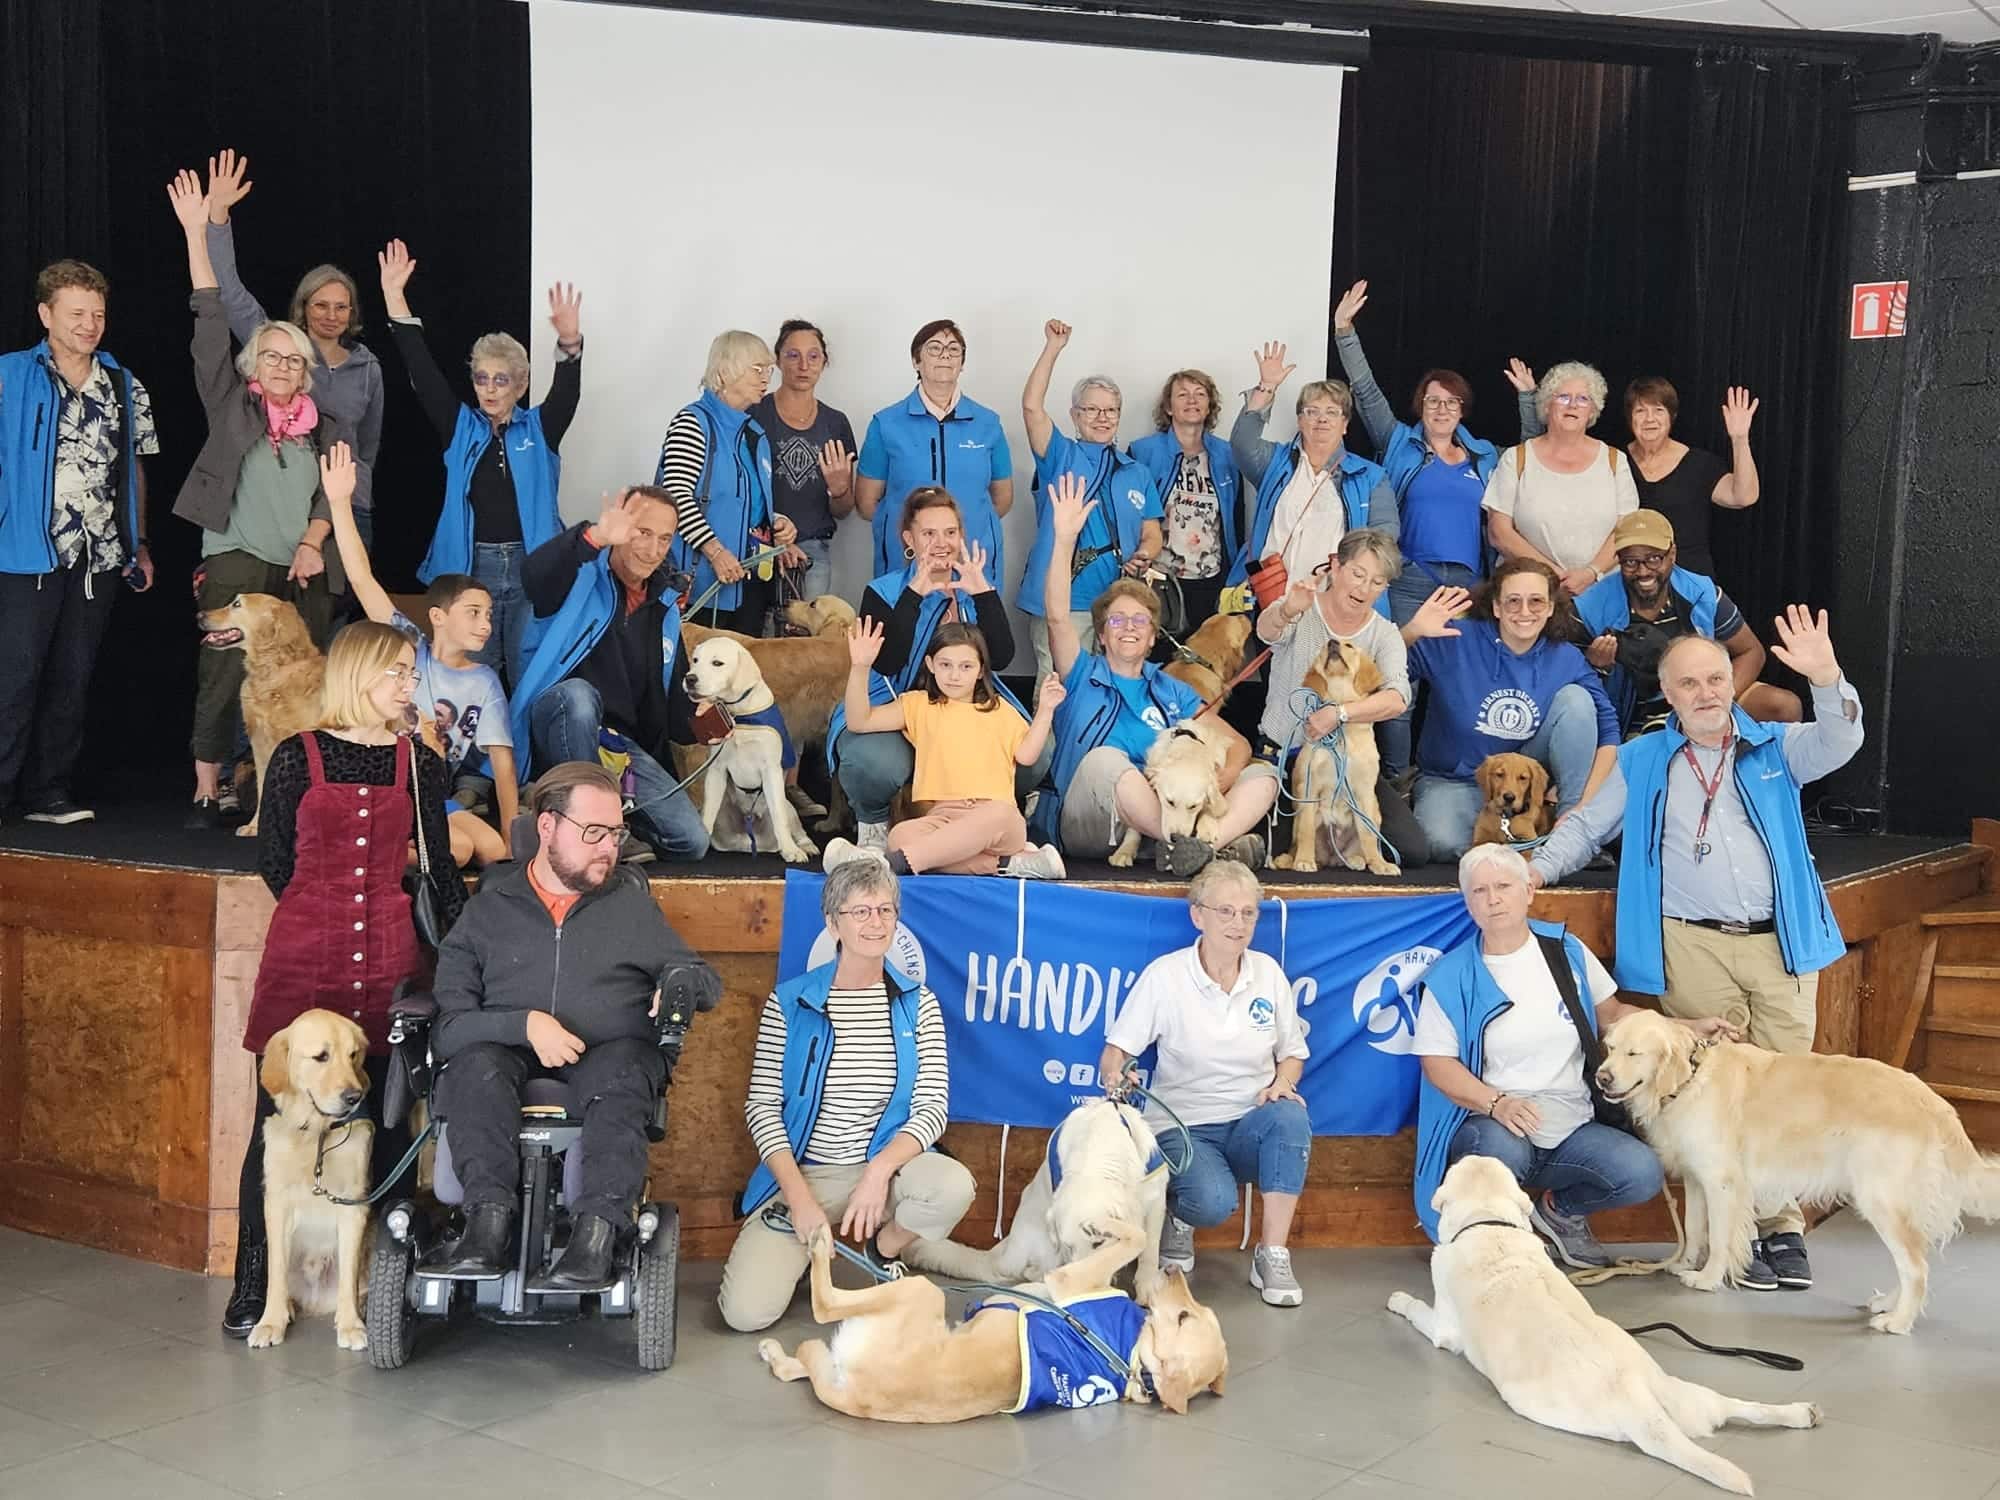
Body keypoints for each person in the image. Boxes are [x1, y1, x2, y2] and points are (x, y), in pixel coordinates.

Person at [1530, 610, 1864, 1292]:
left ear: (1730, 684)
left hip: (1782, 946)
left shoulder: (1773, 746)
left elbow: (1842, 740)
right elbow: (1588, 826)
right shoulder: (1645, 757)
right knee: (1716, 1104)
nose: (1707, 692)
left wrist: (1825, 676)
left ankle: (1780, 1230)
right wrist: (1533, 871)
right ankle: (1745, 1238)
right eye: (1691, 683)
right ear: (1669, 693)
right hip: (1693, 947)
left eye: (1717, 678)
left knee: (1784, 1094)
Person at [221, 617, 466, 1336]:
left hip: (390, 962)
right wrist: (322, 909)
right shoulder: (298, 757)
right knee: (274, 1129)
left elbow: (441, 867)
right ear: (358, 673)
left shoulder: (418, 760)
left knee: (386, 1122)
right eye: (397, 671)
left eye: (410, 673)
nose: (409, 684)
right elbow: (275, 861)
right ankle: (254, 1284)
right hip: (304, 962)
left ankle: (376, 1283)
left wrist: (462, 953)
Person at [429, 761, 717, 1288]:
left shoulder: (628, 908)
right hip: (503, 1057)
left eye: (616, 833)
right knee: (474, 1067)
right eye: (593, 833)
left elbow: (705, 981)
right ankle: (487, 1225)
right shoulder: (488, 911)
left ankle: (597, 1236)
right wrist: (526, 1025)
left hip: (611, 1055)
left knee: (625, 1073)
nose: (609, 847)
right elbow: (448, 1029)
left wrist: (678, 981)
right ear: (547, 827)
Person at [1410, 844, 1733, 1265]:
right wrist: (1497, 1103)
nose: (1493, 899)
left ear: (1528, 891)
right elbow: (1436, 1063)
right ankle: (1501, 1245)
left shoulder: (1566, 951)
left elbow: (1614, 1016)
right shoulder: (1450, 976)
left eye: (1504, 886)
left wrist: (1687, 1028)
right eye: (1479, 891)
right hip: (1496, 1125)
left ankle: (1559, 1214)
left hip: (1571, 1124)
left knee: (1641, 1172)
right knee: (1498, 1155)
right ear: (1467, 901)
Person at [720, 859, 975, 1331]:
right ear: (832, 922)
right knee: (745, 1315)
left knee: (951, 1185)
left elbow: (932, 1107)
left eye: (884, 910)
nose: (874, 922)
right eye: (859, 912)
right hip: (808, 1172)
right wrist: (798, 1198)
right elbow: (761, 1106)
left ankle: (885, 1247)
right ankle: (799, 1254)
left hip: (884, 1164)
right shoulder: (790, 1001)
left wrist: (879, 1173)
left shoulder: (919, 1003)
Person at [168, 169, 347, 829]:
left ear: (305, 372)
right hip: (238, 558)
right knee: (222, 674)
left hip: (301, 567)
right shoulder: (229, 406)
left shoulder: (323, 426)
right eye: (269, 357)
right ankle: (206, 790)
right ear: (251, 366)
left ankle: (300, 793)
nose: (281, 367)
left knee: (309, 683)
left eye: (293, 361)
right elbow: (210, 317)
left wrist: (313, 540)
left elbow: (337, 495)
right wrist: (197, 232)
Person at [1331, 279, 1536, 773]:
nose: (1441, 410)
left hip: (1467, 586)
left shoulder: (1486, 456)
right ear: (1420, 408)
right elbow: (1365, 391)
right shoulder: (1400, 444)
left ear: (1462, 410)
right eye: (1432, 402)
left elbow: (1531, 454)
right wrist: (1344, 333)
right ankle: (1399, 780)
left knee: (1465, 686)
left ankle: (1456, 778)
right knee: (1402, 683)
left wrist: (1529, 399)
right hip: (1410, 580)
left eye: (1450, 403)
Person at [1033, 476, 1278, 871]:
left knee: (1263, 776)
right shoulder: (1081, 673)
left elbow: (1238, 747)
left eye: (1140, 621)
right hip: (1091, 821)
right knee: (1109, 762)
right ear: (1101, 633)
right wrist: (1064, 540)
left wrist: (1211, 788)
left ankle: (1196, 848)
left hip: (1165, 821)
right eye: (1118, 620)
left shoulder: (1170, 689)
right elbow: (1058, 616)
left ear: (1152, 638)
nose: (1129, 627)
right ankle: (1198, 848)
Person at [1100, 859, 1310, 1306]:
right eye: (1225, 912)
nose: (1238, 923)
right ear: (1198, 915)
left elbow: (1293, 1053)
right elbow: (1117, 1051)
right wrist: (1118, 1071)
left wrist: (1282, 1084)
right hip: (1184, 1124)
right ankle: (1181, 1216)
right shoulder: (1167, 975)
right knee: (1212, 1202)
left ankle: (1272, 1254)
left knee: (1291, 1118)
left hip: (1249, 1119)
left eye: (1248, 913)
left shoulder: (1268, 974)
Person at [379, 239, 581, 690]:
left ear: (521, 383)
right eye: (480, 378)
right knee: (473, 679)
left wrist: (569, 342)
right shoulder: (460, 427)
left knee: (530, 678)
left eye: (501, 379)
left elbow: (567, 393)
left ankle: (527, 763)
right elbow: (424, 374)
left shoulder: (540, 429)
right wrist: (395, 299)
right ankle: (475, 765)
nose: (489, 389)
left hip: (532, 568)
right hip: (474, 569)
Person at [0, 259, 158, 827]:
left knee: (73, 676)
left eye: (97, 314)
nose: (90, 324)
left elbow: (133, 466)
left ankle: (48, 793)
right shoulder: (10, 375)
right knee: (13, 677)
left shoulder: (121, 381)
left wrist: (138, 542)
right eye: (76, 314)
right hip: (24, 554)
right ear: (46, 314)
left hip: (99, 556)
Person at [322, 442, 516, 865]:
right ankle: (357, 847)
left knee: (494, 849)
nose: (486, 623)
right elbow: (361, 578)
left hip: (431, 793)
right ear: (438, 616)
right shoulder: (410, 647)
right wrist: (339, 503)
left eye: (489, 615)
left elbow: (503, 764)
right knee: (459, 849)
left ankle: (397, 847)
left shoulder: (484, 681)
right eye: (473, 612)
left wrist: (512, 836)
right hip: (389, 786)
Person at [829, 486, 1037, 850]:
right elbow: (888, 662)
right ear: (909, 539)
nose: (941, 542)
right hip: (900, 710)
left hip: (967, 710)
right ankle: (874, 827)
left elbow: (1000, 659)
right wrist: (913, 596)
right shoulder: (882, 590)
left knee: (1039, 752)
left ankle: (986, 825)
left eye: (950, 532)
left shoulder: (974, 583)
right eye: (929, 534)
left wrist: (984, 595)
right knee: (870, 762)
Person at [511, 487, 708, 862]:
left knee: (691, 840)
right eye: (642, 533)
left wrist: (707, 721)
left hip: (617, 747)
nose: (653, 550)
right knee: (580, 697)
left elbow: (674, 715)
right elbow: (533, 576)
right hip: (556, 722)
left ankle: (592, 819)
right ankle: (595, 823)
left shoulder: (664, 604)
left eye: (665, 539)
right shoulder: (581, 573)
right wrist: (595, 537)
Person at [203, 150, 385, 550]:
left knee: (340, 609)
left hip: (348, 504)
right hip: (283, 500)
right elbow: (230, 293)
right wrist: (217, 216)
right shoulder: (275, 341)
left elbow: (366, 443)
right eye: (320, 304)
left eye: (341, 307)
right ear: (303, 307)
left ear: (352, 312)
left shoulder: (368, 367)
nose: (331, 315)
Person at [1400, 559, 1619, 861]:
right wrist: (1410, 633)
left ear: (1552, 607)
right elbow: (1379, 677)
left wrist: (1583, 808)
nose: (1525, 612)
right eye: (1513, 601)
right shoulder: (1454, 638)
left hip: (1522, 782)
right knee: (1442, 843)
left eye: (1536, 602)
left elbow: (1609, 732)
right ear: (1496, 607)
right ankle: (1519, 841)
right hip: (1455, 779)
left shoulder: (1566, 658)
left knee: (1577, 702)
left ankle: (1570, 835)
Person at [826, 618, 1065, 878]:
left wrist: (1046, 711)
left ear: (980, 670)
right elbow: (859, 721)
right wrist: (861, 667)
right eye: (945, 665)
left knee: (997, 816)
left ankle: (886, 864)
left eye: (966, 666)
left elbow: (1027, 756)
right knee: (900, 835)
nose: (954, 675)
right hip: (942, 817)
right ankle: (1011, 864)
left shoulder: (1000, 710)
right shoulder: (918, 705)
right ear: (930, 665)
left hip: (995, 817)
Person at [1254, 529, 1429, 867]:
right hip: (1284, 755)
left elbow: (1397, 698)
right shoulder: (1302, 605)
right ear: (1336, 566)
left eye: (1377, 583)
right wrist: (1288, 609)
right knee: (1269, 847)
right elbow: (1265, 632)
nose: (1364, 589)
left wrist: (1339, 714)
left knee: (1412, 849)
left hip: (1351, 764)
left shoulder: (1384, 633)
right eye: (1358, 574)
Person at [1018, 320, 1165, 681]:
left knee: (1114, 690)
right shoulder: (1060, 455)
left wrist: (1144, 555)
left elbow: (1153, 532)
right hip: (1066, 606)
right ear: (1075, 415)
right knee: (1060, 695)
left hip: (1119, 603)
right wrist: (1053, 348)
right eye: (1092, 410)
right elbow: (1032, 407)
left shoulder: (1136, 472)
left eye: (1110, 410)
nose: (1102, 418)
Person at [1574, 509, 1798, 737]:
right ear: (1618, 560)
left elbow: (1751, 652)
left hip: (1703, 696)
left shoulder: (1701, 593)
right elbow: (1568, 687)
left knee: (1784, 706)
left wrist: (1717, 700)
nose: (1643, 571)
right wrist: (1597, 667)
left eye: (1654, 558)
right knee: (1658, 758)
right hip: (1633, 715)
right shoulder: (1590, 606)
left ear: (1672, 553)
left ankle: (1742, 766)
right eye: (1631, 561)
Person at [1227, 341, 1397, 594]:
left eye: (1332, 412)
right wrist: (1267, 388)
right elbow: (1242, 444)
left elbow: (1386, 535)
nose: (1322, 419)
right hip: (1270, 598)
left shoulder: (1371, 476)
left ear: (1345, 424)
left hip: (1332, 602)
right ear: (1300, 421)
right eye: (1312, 411)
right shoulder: (1275, 461)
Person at [855, 319, 1015, 583]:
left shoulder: (988, 424)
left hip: (972, 565)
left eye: (953, 349)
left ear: (962, 363)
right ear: (916, 361)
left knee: (972, 625)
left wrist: (958, 531)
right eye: (934, 348)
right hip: (903, 566)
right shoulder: (886, 424)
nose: (945, 355)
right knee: (907, 623)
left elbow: (1002, 499)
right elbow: (866, 504)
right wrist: (916, 533)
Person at [658, 330, 796, 635]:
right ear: (724, 370)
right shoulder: (692, 423)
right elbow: (676, 497)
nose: (766, 379)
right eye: (757, 369)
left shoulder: (753, 434)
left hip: (749, 586)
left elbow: (747, 506)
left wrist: (777, 523)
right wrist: (715, 551)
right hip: (699, 585)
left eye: (769, 370)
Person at [1483, 361, 1639, 598]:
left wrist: (1590, 573)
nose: (1573, 405)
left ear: (1593, 410)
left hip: (1601, 595)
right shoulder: (1517, 458)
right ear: (1546, 405)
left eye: (1583, 399)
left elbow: (1626, 530)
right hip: (1530, 594)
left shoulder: (1614, 460)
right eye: (1563, 397)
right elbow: (1499, 532)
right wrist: (1551, 575)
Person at [1128, 368, 1242, 632]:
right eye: (1183, 394)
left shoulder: (1227, 455)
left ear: (1209, 405)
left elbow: (1235, 517)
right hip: (1157, 578)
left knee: (1200, 663)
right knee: (1155, 659)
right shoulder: (1142, 451)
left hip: (1209, 579)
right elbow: (1129, 513)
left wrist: (1233, 578)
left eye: (1200, 394)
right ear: (1168, 407)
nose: (1192, 400)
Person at [752, 319, 857, 594]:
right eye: (793, 355)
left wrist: (839, 489)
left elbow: (844, 510)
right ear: (777, 360)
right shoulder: (754, 413)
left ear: (824, 362)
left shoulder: (835, 423)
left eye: (813, 356)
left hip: (812, 554)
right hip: (756, 546)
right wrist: (776, 536)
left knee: (806, 637)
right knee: (750, 637)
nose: (803, 365)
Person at [1624, 378, 1760, 579]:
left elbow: (1743, 497)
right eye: (1640, 411)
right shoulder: (1615, 462)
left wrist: (1739, 439)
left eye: (1658, 410)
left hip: (1690, 583)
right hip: (1632, 582)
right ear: (1630, 418)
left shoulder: (1700, 464)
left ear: (1672, 416)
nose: (1649, 419)